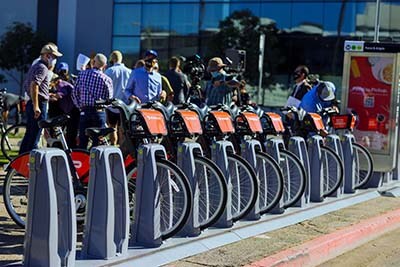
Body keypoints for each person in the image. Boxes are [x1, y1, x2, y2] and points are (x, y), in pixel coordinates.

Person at [19, 43, 63, 154]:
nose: (55, 60)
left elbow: (29, 85)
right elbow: (34, 85)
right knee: (35, 137)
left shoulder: (36, 65)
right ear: (48, 55)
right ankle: (31, 164)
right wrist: (36, 106)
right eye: (54, 57)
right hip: (38, 104)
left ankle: (20, 163)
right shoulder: (42, 68)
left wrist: (47, 96)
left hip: (33, 101)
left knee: (30, 135)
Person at [72, 53, 113, 149]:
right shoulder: (106, 79)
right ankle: (96, 162)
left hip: (85, 111)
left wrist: (80, 106)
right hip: (99, 112)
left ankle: (82, 161)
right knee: (98, 142)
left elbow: (74, 93)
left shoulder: (82, 74)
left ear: (93, 62)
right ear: (105, 66)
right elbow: (109, 99)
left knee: (82, 141)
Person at [104, 50, 132, 145]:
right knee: (122, 128)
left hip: (112, 104)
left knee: (112, 128)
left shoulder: (109, 71)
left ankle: (113, 145)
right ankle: (122, 147)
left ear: (112, 59)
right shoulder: (129, 71)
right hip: (124, 105)